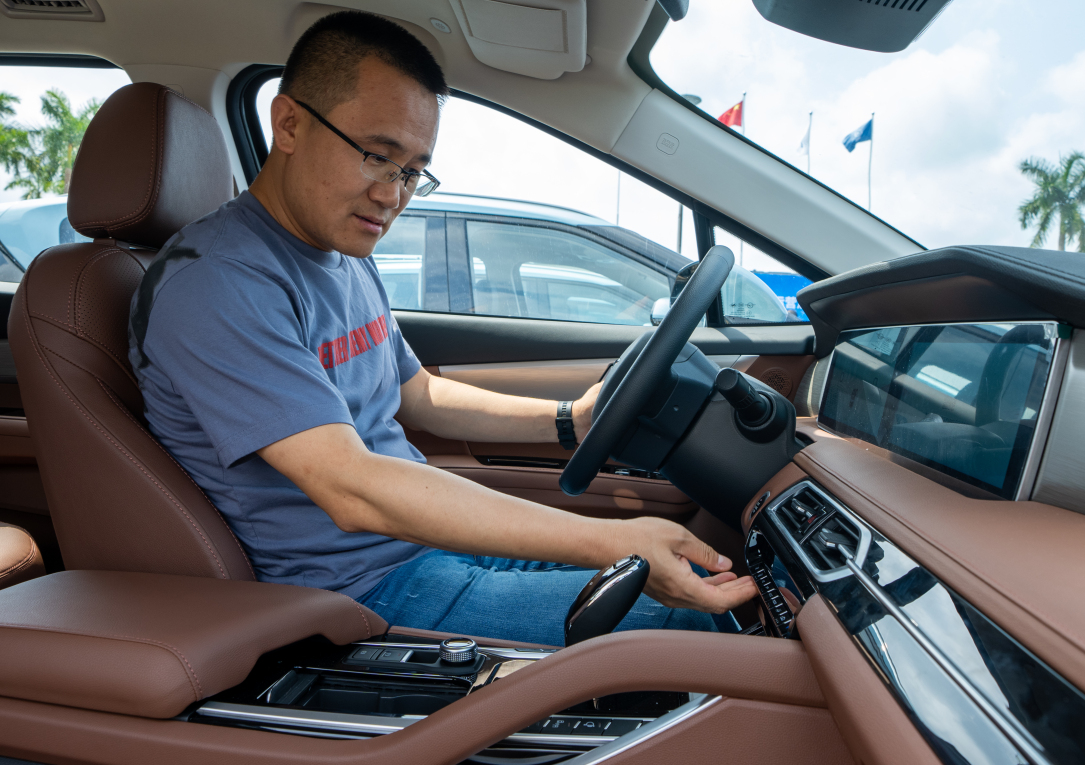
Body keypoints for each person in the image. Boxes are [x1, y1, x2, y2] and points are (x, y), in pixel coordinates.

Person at [128, 10, 756, 645]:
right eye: (378, 155)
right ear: (289, 124)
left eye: (412, 172)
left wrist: (571, 420)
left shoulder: (340, 251)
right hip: (360, 591)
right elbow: (353, 489)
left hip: (421, 547)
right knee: (702, 632)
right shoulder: (215, 284)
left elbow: (417, 393)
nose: (392, 194)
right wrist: (611, 539)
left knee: (721, 601)